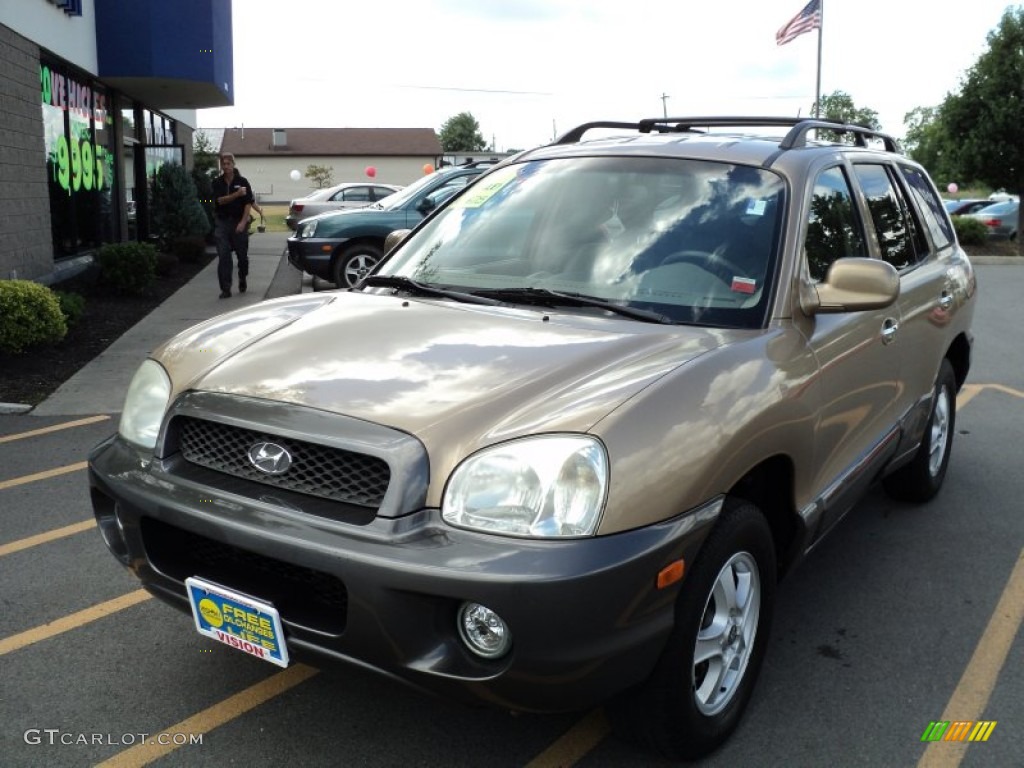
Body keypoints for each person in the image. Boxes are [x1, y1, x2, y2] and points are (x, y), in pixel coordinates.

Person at [211, 152, 254, 298]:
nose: (226, 166)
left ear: (233, 164)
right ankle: (225, 288)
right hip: (222, 222)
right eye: (223, 164)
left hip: (238, 222)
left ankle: (242, 277)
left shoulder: (243, 181)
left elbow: (248, 203)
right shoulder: (217, 183)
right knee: (224, 256)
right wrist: (236, 194)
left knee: (242, 256)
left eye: (228, 163)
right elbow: (219, 201)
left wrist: (243, 222)